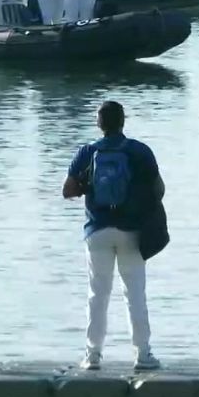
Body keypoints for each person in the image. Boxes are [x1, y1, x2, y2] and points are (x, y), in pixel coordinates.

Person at [63, 100, 163, 372]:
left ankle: (92, 356)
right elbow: (159, 189)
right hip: (131, 231)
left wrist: (89, 186)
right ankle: (143, 355)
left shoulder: (87, 152)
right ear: (123, 121)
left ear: (99, 123)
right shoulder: (140, 151)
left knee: (98, 294)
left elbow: (67, 190)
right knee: (135, 294)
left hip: (97, 231)